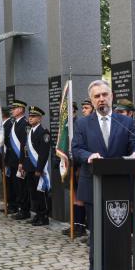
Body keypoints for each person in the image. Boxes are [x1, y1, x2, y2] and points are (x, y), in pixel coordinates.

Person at [72, 79, 135, 270]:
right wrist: (89, 156)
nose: (101, 99)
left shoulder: (125, 122)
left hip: (120, 191)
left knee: (120, 239)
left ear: (111, 96)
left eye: (105, 94)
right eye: (97, 96)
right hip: (94, 188)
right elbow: (76, 149)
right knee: (97, 240)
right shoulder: (82, 124)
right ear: (92, 101)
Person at [20, 106, 51, 226]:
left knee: (40, 193)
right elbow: (25, 150)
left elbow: (43, 154)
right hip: (29, 168)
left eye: (33, 116)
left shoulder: (44, 133)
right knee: (33, 193)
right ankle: (38, 214)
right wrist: (23, 165)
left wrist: (39, 169)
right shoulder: (30, 131)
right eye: (30, 116)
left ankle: (44, 217)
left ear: (39, 118)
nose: (30, 118)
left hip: (38, 169)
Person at [62, 102, 87, 238]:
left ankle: (80, 226)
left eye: (70, 109)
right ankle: (74, 224)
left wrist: (76, 164)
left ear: (75, 111)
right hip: (69, 165)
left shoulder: (77, 123)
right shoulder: (65, 125)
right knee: (74, 197)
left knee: (79, 198)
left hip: (78, 166)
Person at [4, 99, 31, 219]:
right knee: (16, 186)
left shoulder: (24, 124)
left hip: (19, 161)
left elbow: (24, 145)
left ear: (20, 110)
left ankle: (24, 211)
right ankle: (17, 207)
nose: (12, 111)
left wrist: (21, 162)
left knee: (22, 187)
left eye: (14, 109)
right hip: (12, 160)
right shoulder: (15, 122)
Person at [0, 107, 12, 213]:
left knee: (9, 183)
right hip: (3, 159)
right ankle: (8, 203)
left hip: (7, 159)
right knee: (6, 182)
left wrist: (5, 160)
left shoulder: (8, 126)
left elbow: (8, 145)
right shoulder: (3, 125)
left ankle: (12, 205)